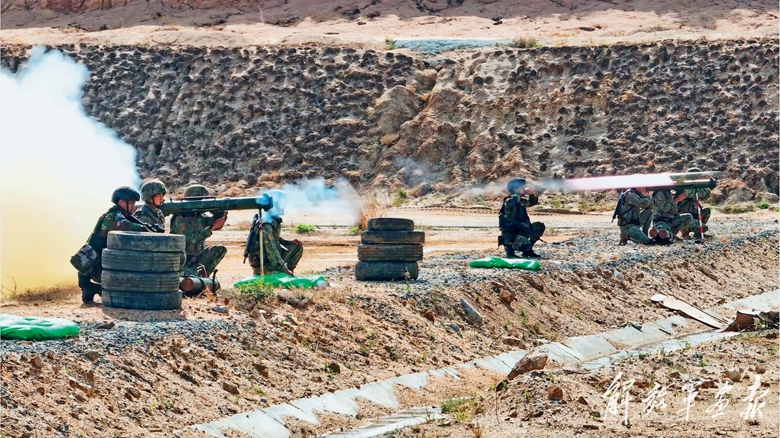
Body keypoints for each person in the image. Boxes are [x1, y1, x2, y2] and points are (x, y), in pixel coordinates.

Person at [78, 187, 155, 303]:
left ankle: (91, 288)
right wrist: (152, 232)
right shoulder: (113, 217)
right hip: (97, 268)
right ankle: (96, 288)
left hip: (96, 265)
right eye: (131, 203)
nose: (133, 206)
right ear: (121, 202)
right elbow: (135, 228)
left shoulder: (115, 214)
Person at [170, 184, 227, 277]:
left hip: (197, 255)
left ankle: (202, 278)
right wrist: (211, 228)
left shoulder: (199, 216)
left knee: (220, 249)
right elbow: (193, 239)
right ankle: (193, 276)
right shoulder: (180, 218)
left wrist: (220, 210)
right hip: (183, 259)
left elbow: (217, 223)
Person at [498, 178, 545, 258]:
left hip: (521, 230)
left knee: (539, 226)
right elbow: (510, 203)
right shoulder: (509, 200)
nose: (524, 188)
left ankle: (528, 251)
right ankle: (510, 251)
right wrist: (517, 195)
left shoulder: (520, 201)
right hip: (511, 234)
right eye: (522, 187)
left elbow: (532, 202)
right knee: (525, 244)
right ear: (515, 189)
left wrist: (531, 195)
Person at [677, 167, 711, 239]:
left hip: (694, 214)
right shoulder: (684, 187)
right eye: (698, 177)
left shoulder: (696, 186)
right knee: (704, 228)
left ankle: (698, 233)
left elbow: (707, 195)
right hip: (686, 216)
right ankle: (684, 232)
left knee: (707, 211)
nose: (700, 178)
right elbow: (698, 193)